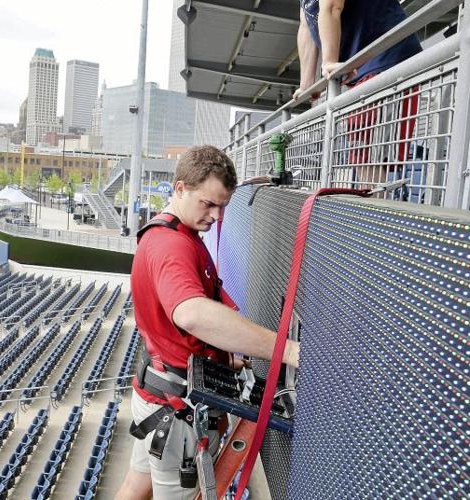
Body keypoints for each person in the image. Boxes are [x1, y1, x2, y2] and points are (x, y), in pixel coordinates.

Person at [116, 145, 300, 500]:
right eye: (208, 203)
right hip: (175, 408)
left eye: (222, 207)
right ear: (180, 188)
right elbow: (192, 313)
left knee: (136, 487)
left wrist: (221, 352)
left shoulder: (176, 235)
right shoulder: (172, 247)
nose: (216, 215)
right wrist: (288, 350)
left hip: (157, 391)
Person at [295, 0, 423, 190]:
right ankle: (370, 212)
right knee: (362, 152)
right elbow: (306, 25)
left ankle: (373, 215)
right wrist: (306, 84)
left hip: (386, 57)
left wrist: (329, 61)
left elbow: (331, 6)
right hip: (361, 69)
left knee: (371, 156)